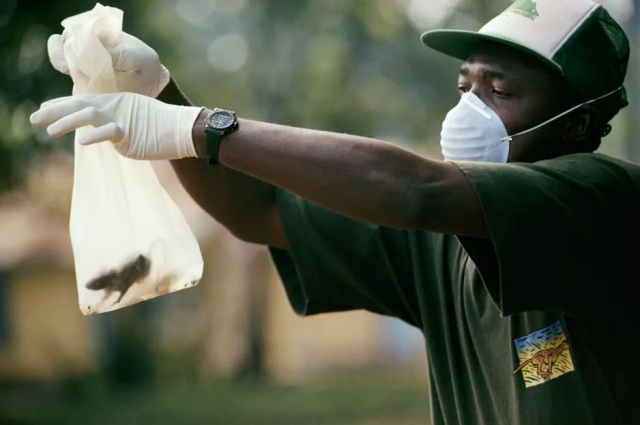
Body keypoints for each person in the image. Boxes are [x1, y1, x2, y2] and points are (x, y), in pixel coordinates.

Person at [31, 0, 640, 423]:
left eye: (500, 92)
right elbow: (259, 210)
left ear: (579, 123)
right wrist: (161, 92)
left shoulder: (606, 200)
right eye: (465, 86)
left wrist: (202, 128)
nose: (470, 109)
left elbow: (413, 187)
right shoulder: (442, 238)